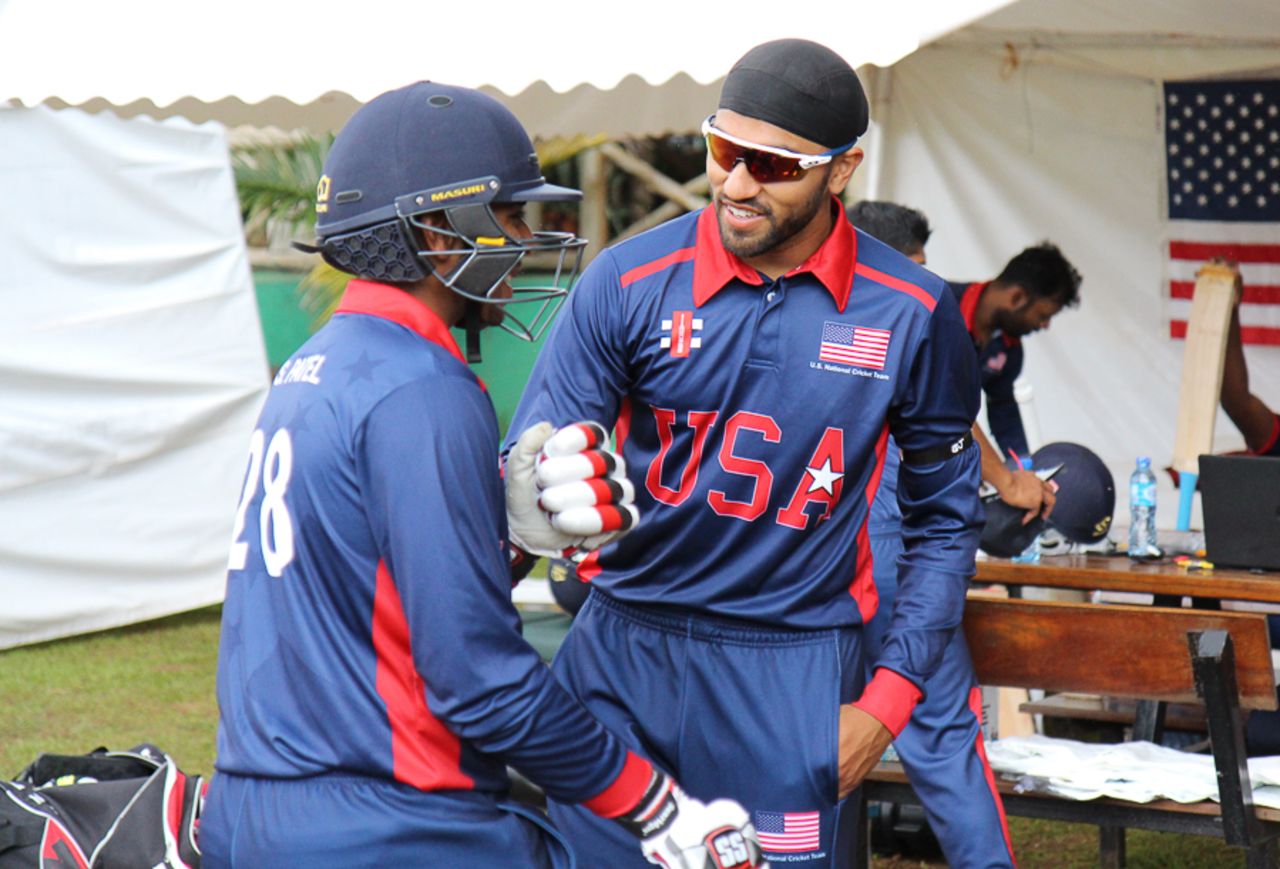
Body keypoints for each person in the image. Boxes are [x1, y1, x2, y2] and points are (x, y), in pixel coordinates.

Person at [200, 81, 763, 869]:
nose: (529, 239)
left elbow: (373, 602)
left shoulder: (312, 364)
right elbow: (479, 681)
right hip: (389, 820)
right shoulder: (424, 386)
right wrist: (656, 805)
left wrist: (505, 539)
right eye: (508, 216)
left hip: (253, 807)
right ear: (437, 232)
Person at [506, 39, 984, 868]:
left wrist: (888, 700)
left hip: (791, 659)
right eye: (723, 150)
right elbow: (542, 456)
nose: (735, 183)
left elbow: (945, 521)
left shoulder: (913, 309)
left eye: (771, 164)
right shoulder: (625, 280)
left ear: (841, 171)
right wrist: (532, 490)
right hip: (625, 646)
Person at [849, 201, 1016, 867]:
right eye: (918, 263)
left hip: (805, 551)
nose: (927, 277)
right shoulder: (911, 312)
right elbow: (948, 417)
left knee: (804, 738)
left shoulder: (791, 310)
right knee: (944, 736)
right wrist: (1007, 482)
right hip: (893, 548)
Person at [952, 243, 1081, 523]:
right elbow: (945, 410)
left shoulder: (1009, 347)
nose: (1044, 326)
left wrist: (1024, 469)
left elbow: (1003, 409)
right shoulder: (941, 307)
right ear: (1018, 297)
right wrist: (1006, 482)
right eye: (1043, 315)